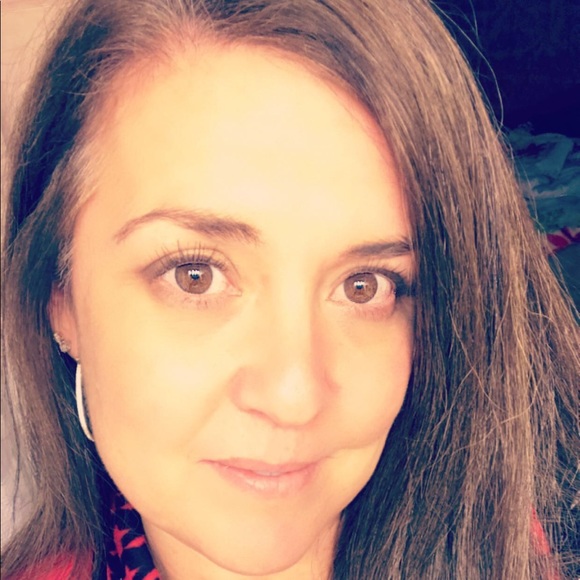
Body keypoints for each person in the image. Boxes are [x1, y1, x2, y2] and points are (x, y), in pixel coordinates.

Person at [1, 0, 578, 578]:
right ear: (61, 297)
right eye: (195, 275)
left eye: (364, 286)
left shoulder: (496, 545)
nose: (293, 397)